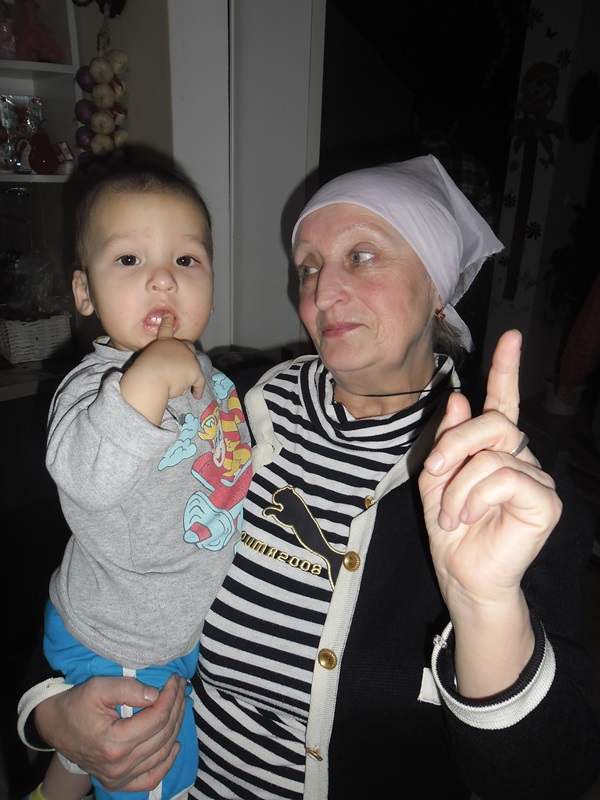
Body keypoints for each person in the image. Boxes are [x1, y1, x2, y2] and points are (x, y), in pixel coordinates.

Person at [18, 155, 600, 799]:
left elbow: (551, 776)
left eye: (362, 257)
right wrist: (50, 714)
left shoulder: (507, 481)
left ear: (438, 288)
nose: (322, 293)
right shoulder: (233, 403)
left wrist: (488, 609)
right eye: (308, 268)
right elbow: (94, 555)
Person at [21, 162, 252, 800]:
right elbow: (87, 479)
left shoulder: (210, 375)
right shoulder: (94, 388)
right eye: (128, 260)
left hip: (168, 626)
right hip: (122, 638)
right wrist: (148, 380)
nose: (162, 278)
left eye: (187, 260)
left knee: (82, 765)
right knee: (152, 777)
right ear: (85, 292)